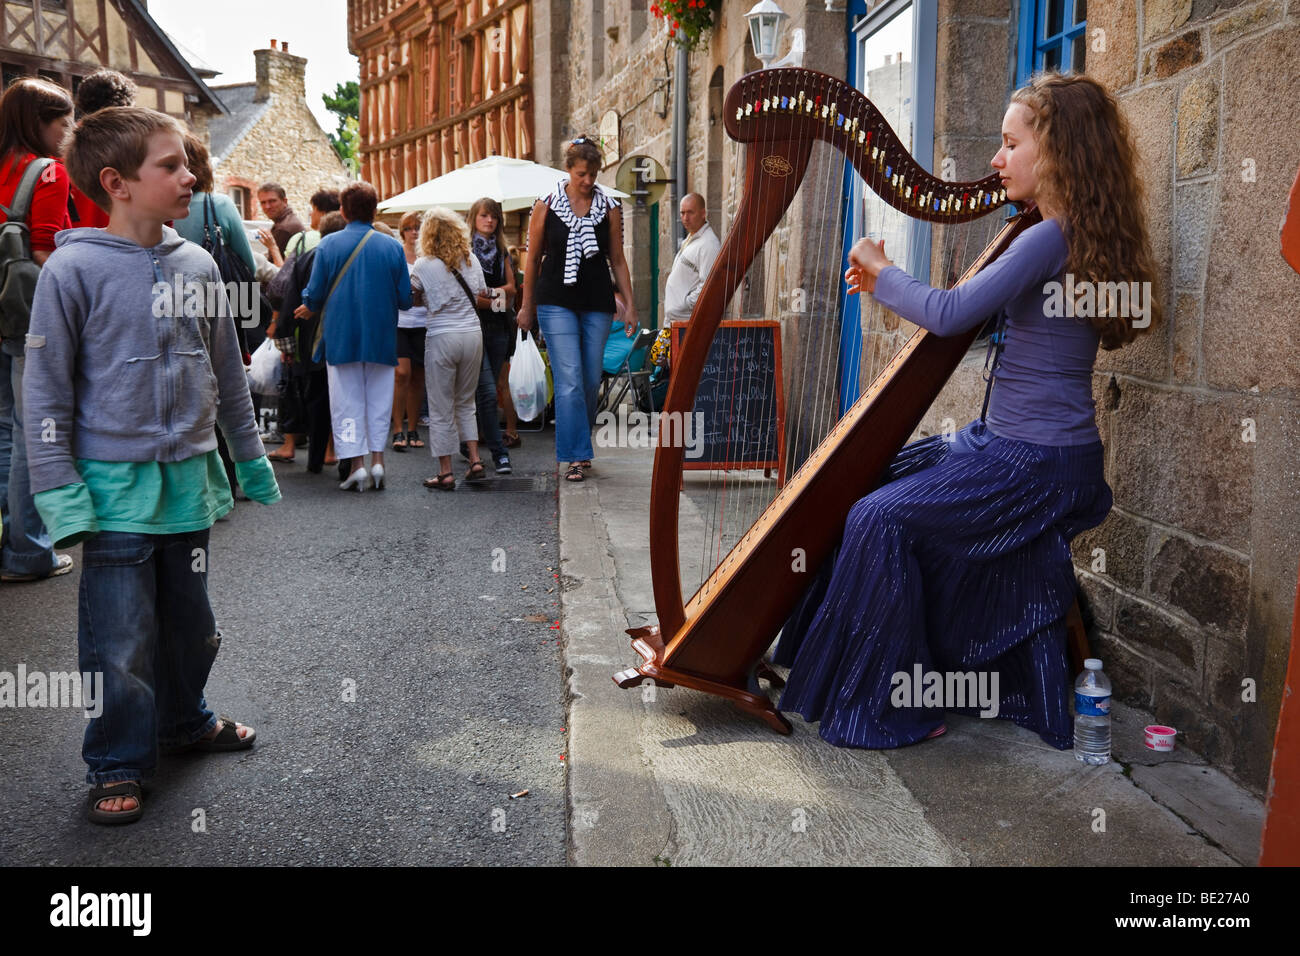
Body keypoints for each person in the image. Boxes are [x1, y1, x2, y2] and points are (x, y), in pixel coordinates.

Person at [773, 72, 1160, 753]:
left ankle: (900, 704)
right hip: (1021, 447)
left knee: (874, 513)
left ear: (1058, 153)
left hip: (1033, 463)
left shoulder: (1047, 238)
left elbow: (951, 316)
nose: (995, 159)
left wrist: (876, 269)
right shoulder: (1062, 234)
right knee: (870, 474)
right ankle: (847, 664)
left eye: (1010, 144)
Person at [25, 106, 280, 823]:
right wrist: (59, 494)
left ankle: (183, 720)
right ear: (118, 182)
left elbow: (228, 376)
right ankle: (115, 760)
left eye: (186, 163)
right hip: (111, 496)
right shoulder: (71, 271)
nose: (189, 175)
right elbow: (43, 393)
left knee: (192, 626)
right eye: (170, 166)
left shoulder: (199, 264)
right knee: (121, 641)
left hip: (188, 490)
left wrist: (251, 463)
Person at [517, 136, 636, 483]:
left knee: (587, 379)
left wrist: (630, 306)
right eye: (582, 173)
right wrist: (527, 306)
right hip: (555, 301)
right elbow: (533, 258)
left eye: (593, 173)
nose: (588, 180)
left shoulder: (610, 206)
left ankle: (578, 444)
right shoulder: (547, 203)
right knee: (568, 380)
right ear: (568, 169)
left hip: (597, 302)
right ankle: (576, 455)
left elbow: (618, 259)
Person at [0, 77, 75, 583]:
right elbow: (47, 249)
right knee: (34, 432)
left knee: (4, 428)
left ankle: (10, 540)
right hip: (26, 314)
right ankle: (27, 551)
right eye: (62, 121)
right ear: (39, 123)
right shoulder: (47, 171)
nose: (69, 132)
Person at [296, 181, 411, 491]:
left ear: (343, 211)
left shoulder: (329, 245)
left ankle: (356, 465)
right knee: (378, 401)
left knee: (346, 403)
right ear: (374, 210)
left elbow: (315, 293)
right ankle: (378, 461)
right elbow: (405, 299)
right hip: (381, 335)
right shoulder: (392, 247)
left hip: (341, 335)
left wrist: (308, 303)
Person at [413, 207, 488, 491]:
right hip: (472, 334)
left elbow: (412, 299)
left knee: (441, 405)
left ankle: (445, 472)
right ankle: (476, 460)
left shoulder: (423, 265)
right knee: (466, 401)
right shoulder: (472, 261)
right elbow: (481, 294)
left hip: (442, 336)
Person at [274, 210, 347, 473]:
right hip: (345, 338)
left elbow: (291, 301)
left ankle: (315, 459)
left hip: (312, 340)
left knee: (316, 398)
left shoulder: (306, 258)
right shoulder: (349, 257)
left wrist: (286, 345)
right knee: (343, 397)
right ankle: (340, 455)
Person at [466, 196, 514, 473]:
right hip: (473, 326)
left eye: (494, 216)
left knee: (490, 386)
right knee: (483, 390)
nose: (489, 220)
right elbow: (471, 299)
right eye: (484, 215)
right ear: (474, 218)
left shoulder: (502, 251)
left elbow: (512, 290)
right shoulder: (465, 251)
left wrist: (491, 298)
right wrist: (497, 299)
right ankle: (498, 453)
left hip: (499, 329)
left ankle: (469, 443)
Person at [69, 69, 136, 229]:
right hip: (130, 243)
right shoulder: (139, 143)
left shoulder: (64, 143)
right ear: (126, 105)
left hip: (75, 244)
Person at [391, 211, 428, 452]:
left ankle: (412, 428)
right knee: (401, 374)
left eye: (418, 227)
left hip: (423, 322)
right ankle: (397, 429)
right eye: (409, 228)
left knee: (418, 378)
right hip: (399, 322)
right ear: (402, 231)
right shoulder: (396, 254)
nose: (413, 232)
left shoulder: (428, 256)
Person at [663, 192, 720, 323]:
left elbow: (708, 286)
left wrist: (685, 305)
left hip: (688, 324)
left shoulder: (709, 244)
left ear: (703, 213)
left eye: (690, 212)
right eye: (682, 213)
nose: (685, 218)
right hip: (674, 322)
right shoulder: (691, 239)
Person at [257, 181, 306, 257]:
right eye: (263, 202)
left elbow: (275, 266)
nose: (267, 206)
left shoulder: (283, 228)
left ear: (284, 201)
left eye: (272, 201)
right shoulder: (287, 220)